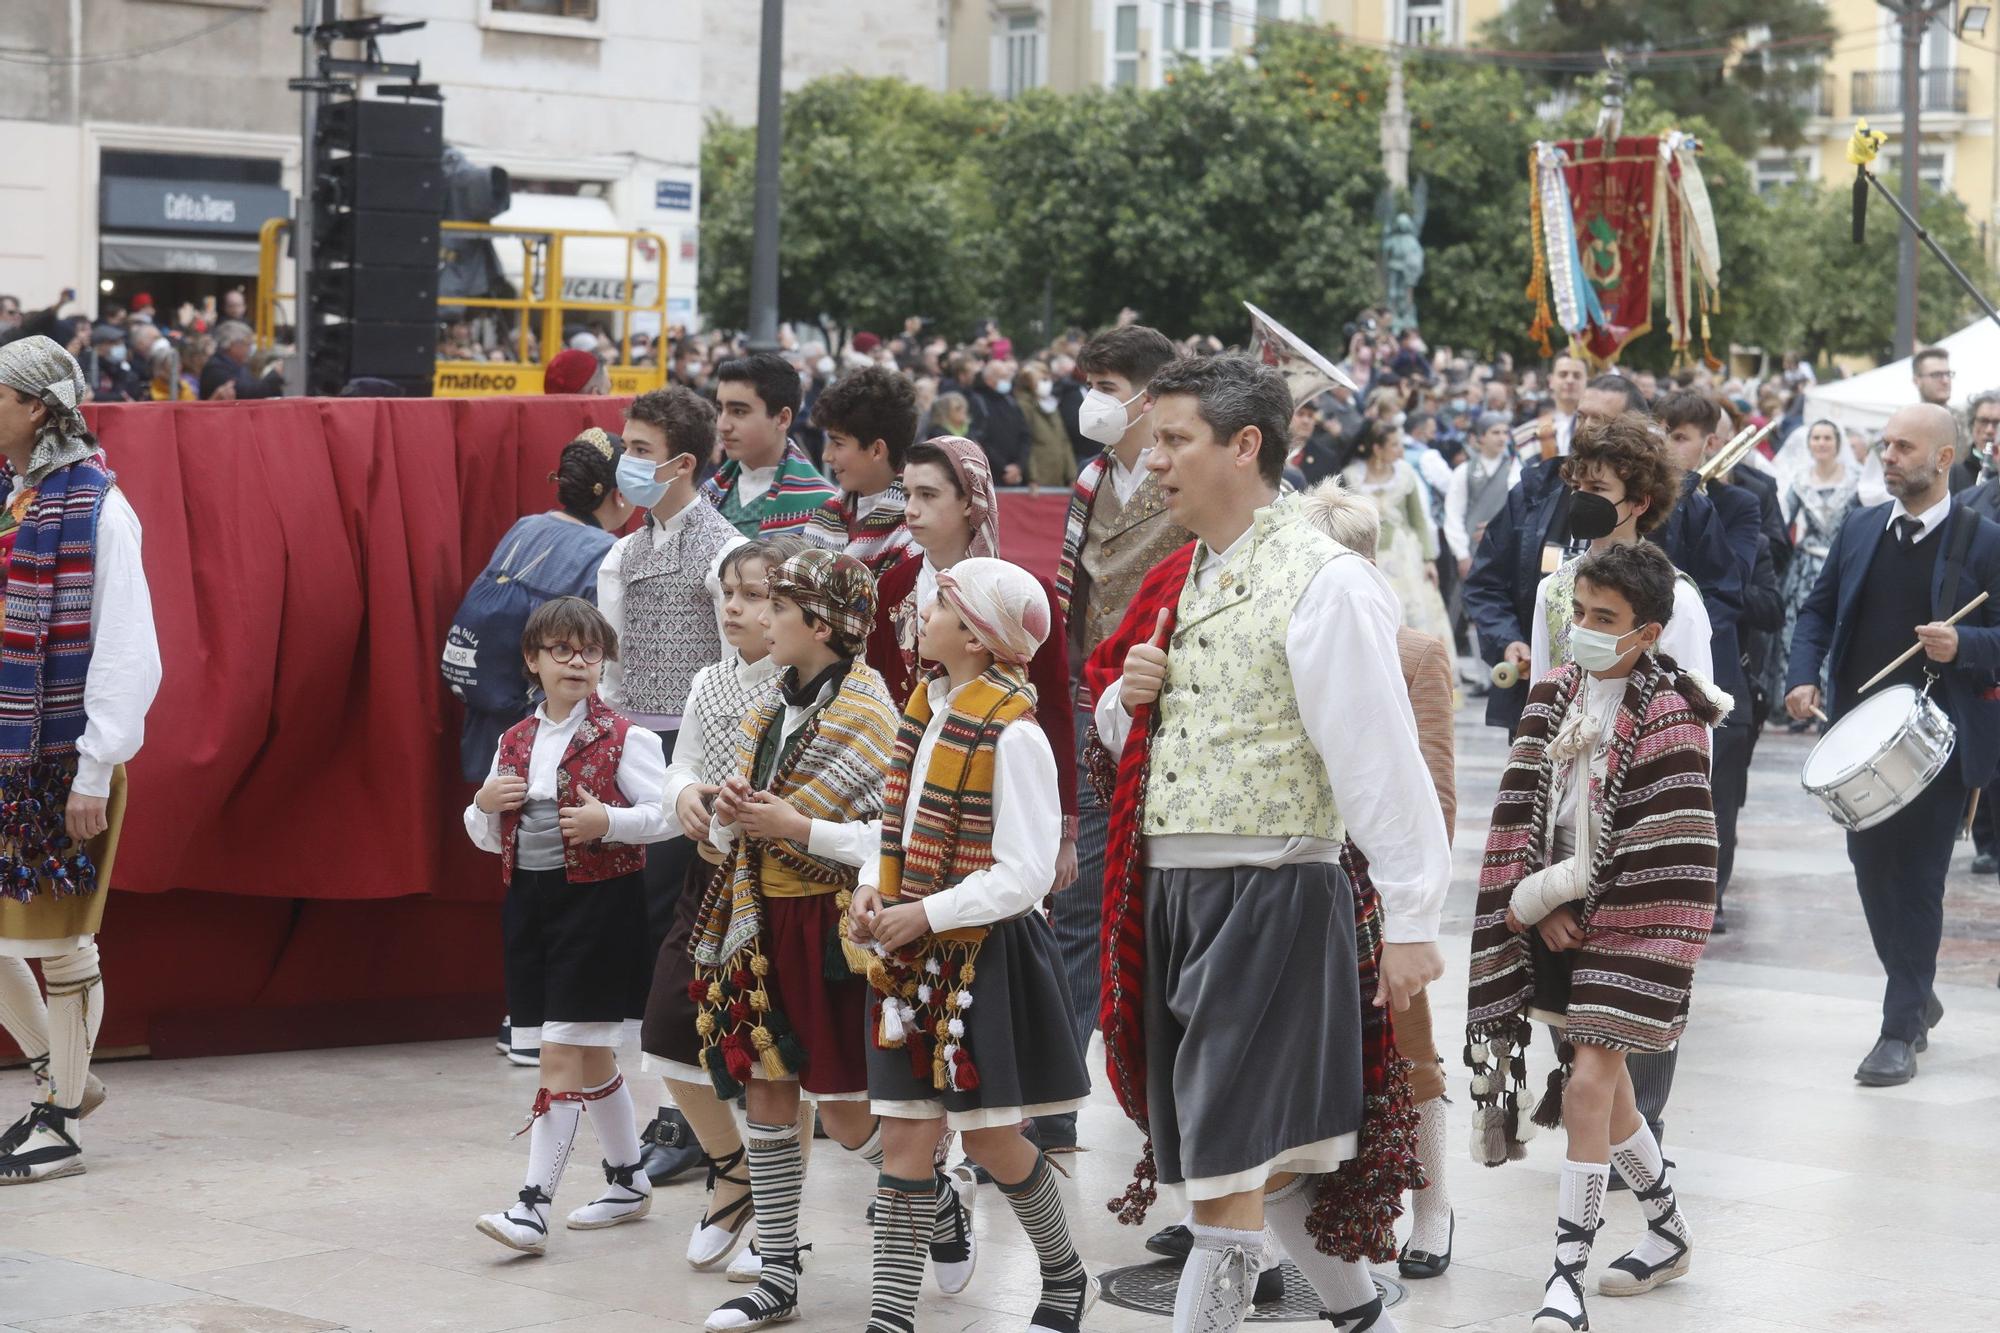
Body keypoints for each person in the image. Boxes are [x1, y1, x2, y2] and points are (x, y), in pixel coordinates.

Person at [1087, 354, 1448, 1333]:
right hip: (1174, 892)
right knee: (1258, 1159)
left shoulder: (1323, 580)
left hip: (1271, 890)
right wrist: (1131, 702)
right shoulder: (1186, 574)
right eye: (1153, 437)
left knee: (1224, 1172)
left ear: (1244, 445)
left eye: (1174, 438)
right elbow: (1142, 748)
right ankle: (1362, 1315)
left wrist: (1412, 916)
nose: (1153, 459)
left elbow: (1378, 759)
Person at [1466, 541, 1721, 1333]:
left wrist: (1545, 892)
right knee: (1603, 1095)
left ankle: (1565, 1279)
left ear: (1646, 633)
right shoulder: (1552, 694)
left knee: (1586, 1082)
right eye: (1578, 612)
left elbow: (1666, 844)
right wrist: (1535, 904)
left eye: (1604, 619)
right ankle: (1670, 1229)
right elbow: (1518, 815)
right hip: (1555, 918)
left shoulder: (1674, 715)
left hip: (1639, 921)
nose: (1583, 629)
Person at [848, 557, 1097, 1333]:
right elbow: (897, 821)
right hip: (913, 956)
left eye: (946, 605)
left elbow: (1024, 874)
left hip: (980, 959)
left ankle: (1065, 1273)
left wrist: (926, 913)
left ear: (982, 635)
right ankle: (892, 1316)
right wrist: (869, 881)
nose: (928, 611)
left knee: (992, 1141)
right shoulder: (923, 708)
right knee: (904, 1140)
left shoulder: (1014, 735)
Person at [690, 549, 904, 1331]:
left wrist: (796, 824)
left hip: (835, 924)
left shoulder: (873, 712)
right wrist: (729, 810)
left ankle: (930, 1193)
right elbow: (729, 833)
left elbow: (894, 835)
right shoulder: (765, 707)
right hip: (760, 920)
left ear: (820, 624)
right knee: (767, 1091)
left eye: (777, 607)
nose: (762, 620)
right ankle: (777, 1272)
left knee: (846, 1112)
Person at [1786, 402, 2000, 1086]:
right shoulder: (1860, 526)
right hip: (1858, 737)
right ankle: (1915, 986)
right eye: (1884, 445)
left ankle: (1898, 1027)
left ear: (1945, 458)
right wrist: (1799, 677)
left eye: (1904, 446)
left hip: (1939, 738)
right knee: (1872, 872)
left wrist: (1965, 642)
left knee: (1919, 879)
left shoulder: (1983, 539)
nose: (1888, 456)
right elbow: (1817, 610)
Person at [0, 338, 162, 1184]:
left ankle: (59, 1120)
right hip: (4, 758)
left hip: (58, 763)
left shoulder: (99, 508)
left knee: (63, 941)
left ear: (36, 408)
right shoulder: (11, 495)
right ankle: (61, 1074)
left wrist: (94, 768)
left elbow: (130, 652)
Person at [465, 597, 670, 1253]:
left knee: (559, 1054)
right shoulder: (515, 739)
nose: (577, 662)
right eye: (562, 650)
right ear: (534, 660)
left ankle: (532, 1205)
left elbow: (668, 814)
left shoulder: (626, 736)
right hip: (530, 906)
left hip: (600, 907)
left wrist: (609, 821)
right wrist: (481, 804)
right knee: (588, 1053)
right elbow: (485, 835)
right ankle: (629, 1178)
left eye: (589, 650)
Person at [1295, 481, 1457, 1284]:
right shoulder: (1288, 630)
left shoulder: (1414, 649)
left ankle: (1434, 1203)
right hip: (1307, 873)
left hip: (1379, 877)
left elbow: (1433, 780)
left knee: (1413, 1051)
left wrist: (1409, 895)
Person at [635, 536, 810, 1271]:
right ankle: (733, 1171)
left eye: (755, 595)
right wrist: (684, 796)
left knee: (780, 1065)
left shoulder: (805, 685)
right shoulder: (709, 680)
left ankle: (781, 1227)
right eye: (727, 594)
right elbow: (681, 765)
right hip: (707, 880)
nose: (734, 608)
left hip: (779, 890)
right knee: (664, 1034)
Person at [1046, 323, 1185, 1152]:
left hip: (1169, 712)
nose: (1090, 398)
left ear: (1146, 392)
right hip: (1089, 703)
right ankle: (1055, 1095)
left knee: (1164, 917)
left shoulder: (1182, 475)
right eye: (1087, 380)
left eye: (1104, 383)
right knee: (1072, 906)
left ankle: (1168, 1119)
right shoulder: (1092, 478)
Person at [863, 436, 1078, 901]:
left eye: (929, 495)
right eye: (907, 493)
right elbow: (879, 698)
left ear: (970, 501)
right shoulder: (893, 586)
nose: (912, 510)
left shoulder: (1017, 592)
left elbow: (1054, 709)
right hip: (906, 788)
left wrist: (1063, 831)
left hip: (996, 791)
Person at [446, 428, 634, 792]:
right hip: (545, 727)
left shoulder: (525, 526)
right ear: (619, 493)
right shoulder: (605, 552)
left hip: (489, 715)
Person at [1530, 417, 1713, 683]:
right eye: (1576, 487)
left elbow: (1695, 705)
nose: (1581, 498)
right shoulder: (1551, 589)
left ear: (1639, 502)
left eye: (1597, 488)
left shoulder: (1676, 595)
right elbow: (1540, 689)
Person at [1768, 420, 1857, 727]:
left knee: (1837, 631)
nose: (1821, 443)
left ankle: (1831, 702)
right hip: (1805, 567)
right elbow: (1782, 522)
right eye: (1816, 438)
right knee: (1796, 631)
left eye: (1826, 438)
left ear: (1837, 442)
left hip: (1840, 564)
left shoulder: (1855, 481)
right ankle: (1799, 702)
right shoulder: (1800, 481)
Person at [1342, 419, 1455, 649]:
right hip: (1370, 557)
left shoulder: (1404, 473)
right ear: (1377, 448)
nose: (1400, 450)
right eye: (1394, 445)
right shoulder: (1352, 476)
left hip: (1407, 557)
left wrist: (1428, 558)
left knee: (1417, 613)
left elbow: (1418, 520)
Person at [703, 353, 838, 538]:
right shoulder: (708, 493)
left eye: (739, 411)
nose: (722, 425)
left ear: (782, 418)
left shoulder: (823, 506)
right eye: (720, 410)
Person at [802, 366, 919, 575]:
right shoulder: (826, 516)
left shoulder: (916, 526)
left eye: (837, 443)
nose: (826, 456)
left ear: (876, 450)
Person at [1444, 411, 1520, 577]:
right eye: (1495, 432)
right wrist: (1462, 554)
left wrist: (1498, 528)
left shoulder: (1516, 469)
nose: (1502, 438)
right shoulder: (1463, 471)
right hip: (1471, 548)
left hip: (1506, 548)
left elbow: (1521, 511)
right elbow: (1453, 514)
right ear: (1481, 437)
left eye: (1505, 432)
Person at [966, 357, 1030, 485]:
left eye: (1008, 377)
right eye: (1002, 377)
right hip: (992, 475)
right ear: (989, 380)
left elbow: (1025, 435)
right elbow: (980, 439)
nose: (1007, 381)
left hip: (1016, 473)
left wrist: (1018, 466)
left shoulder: (1011, 401)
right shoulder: (978, 401)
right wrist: (1004, 468)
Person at [1511, 354, 1586, 462]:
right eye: (1563, 374)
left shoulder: (1597, 431)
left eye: (1577, 375)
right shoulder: (1527, 434)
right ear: (1551, 381)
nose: (1570, 380)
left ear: (1587, 381)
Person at [1019, 363, 1078, 487]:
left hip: (1058, 476)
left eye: (1047, 379)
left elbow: (1064, 441)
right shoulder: (1024, 406)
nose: (1047, 383)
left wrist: (1072, 475)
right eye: (1042, 380)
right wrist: (1032, 477)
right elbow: (1026, 443)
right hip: (1039, 478)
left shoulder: (1051, 405)